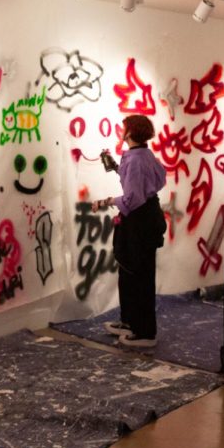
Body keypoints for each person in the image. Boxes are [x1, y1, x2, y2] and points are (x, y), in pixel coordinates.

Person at [95, 114, 167, 347]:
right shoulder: (143, 155)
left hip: (140, 222)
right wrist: (117, 168)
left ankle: (145, 333)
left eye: (123, 128)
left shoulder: (136, 159)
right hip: (144, 218)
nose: (120, 130)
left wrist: (106, 201)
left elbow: (132, 198)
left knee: (140, 275)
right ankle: (130, 321)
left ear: (131, 132)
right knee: (128, 269)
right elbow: (158, 179)